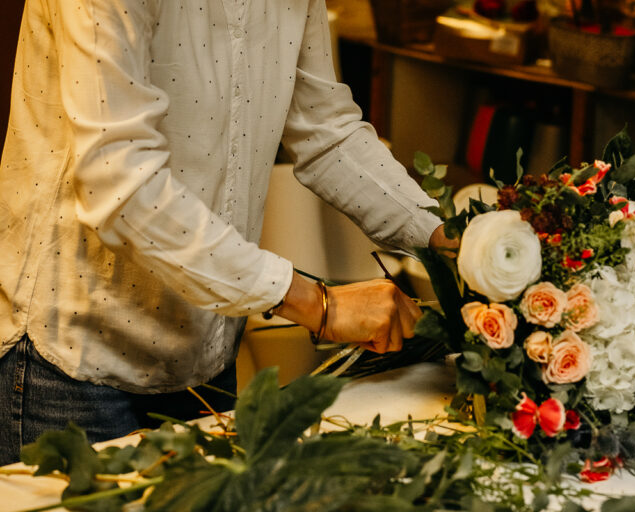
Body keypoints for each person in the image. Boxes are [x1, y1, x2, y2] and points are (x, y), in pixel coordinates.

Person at [0, 0, 455, 466]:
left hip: (207, 339)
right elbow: (121, 180)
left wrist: (460, 243)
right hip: (74, 357)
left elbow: (327, 130)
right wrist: (321, 305)